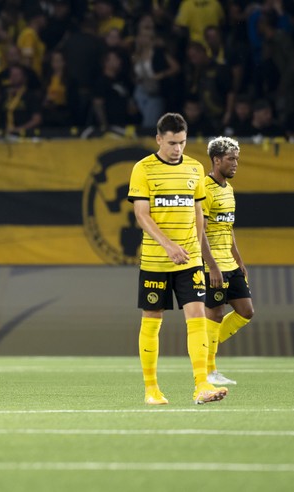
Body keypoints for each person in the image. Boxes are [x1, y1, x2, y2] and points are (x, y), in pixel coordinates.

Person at [127, 112, 228, 406]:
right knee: (152, 320)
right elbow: (141, 215)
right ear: (159, 139)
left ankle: (201, 385)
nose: (177, 149)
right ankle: (151, 389)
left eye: (182, 142)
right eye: (172, 143)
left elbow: (198, 213)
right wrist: (168, 245)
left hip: (189, 261)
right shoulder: (143, 169)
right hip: (156, 260)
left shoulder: (195, 169)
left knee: (197, 317)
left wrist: (195, 249)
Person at [202, 136, 254, 385]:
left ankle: (201, 344)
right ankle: (209, 368)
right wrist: (211, 265)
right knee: (215, 314)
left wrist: (239, 260)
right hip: (212, 265)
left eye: (237, 159)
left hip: (230, 264)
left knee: (246, 311)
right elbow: (198, 230)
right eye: (231, 159)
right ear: (216, 159)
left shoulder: (229, 189)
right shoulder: (205, 189)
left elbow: (228, 227)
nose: (235, 163)